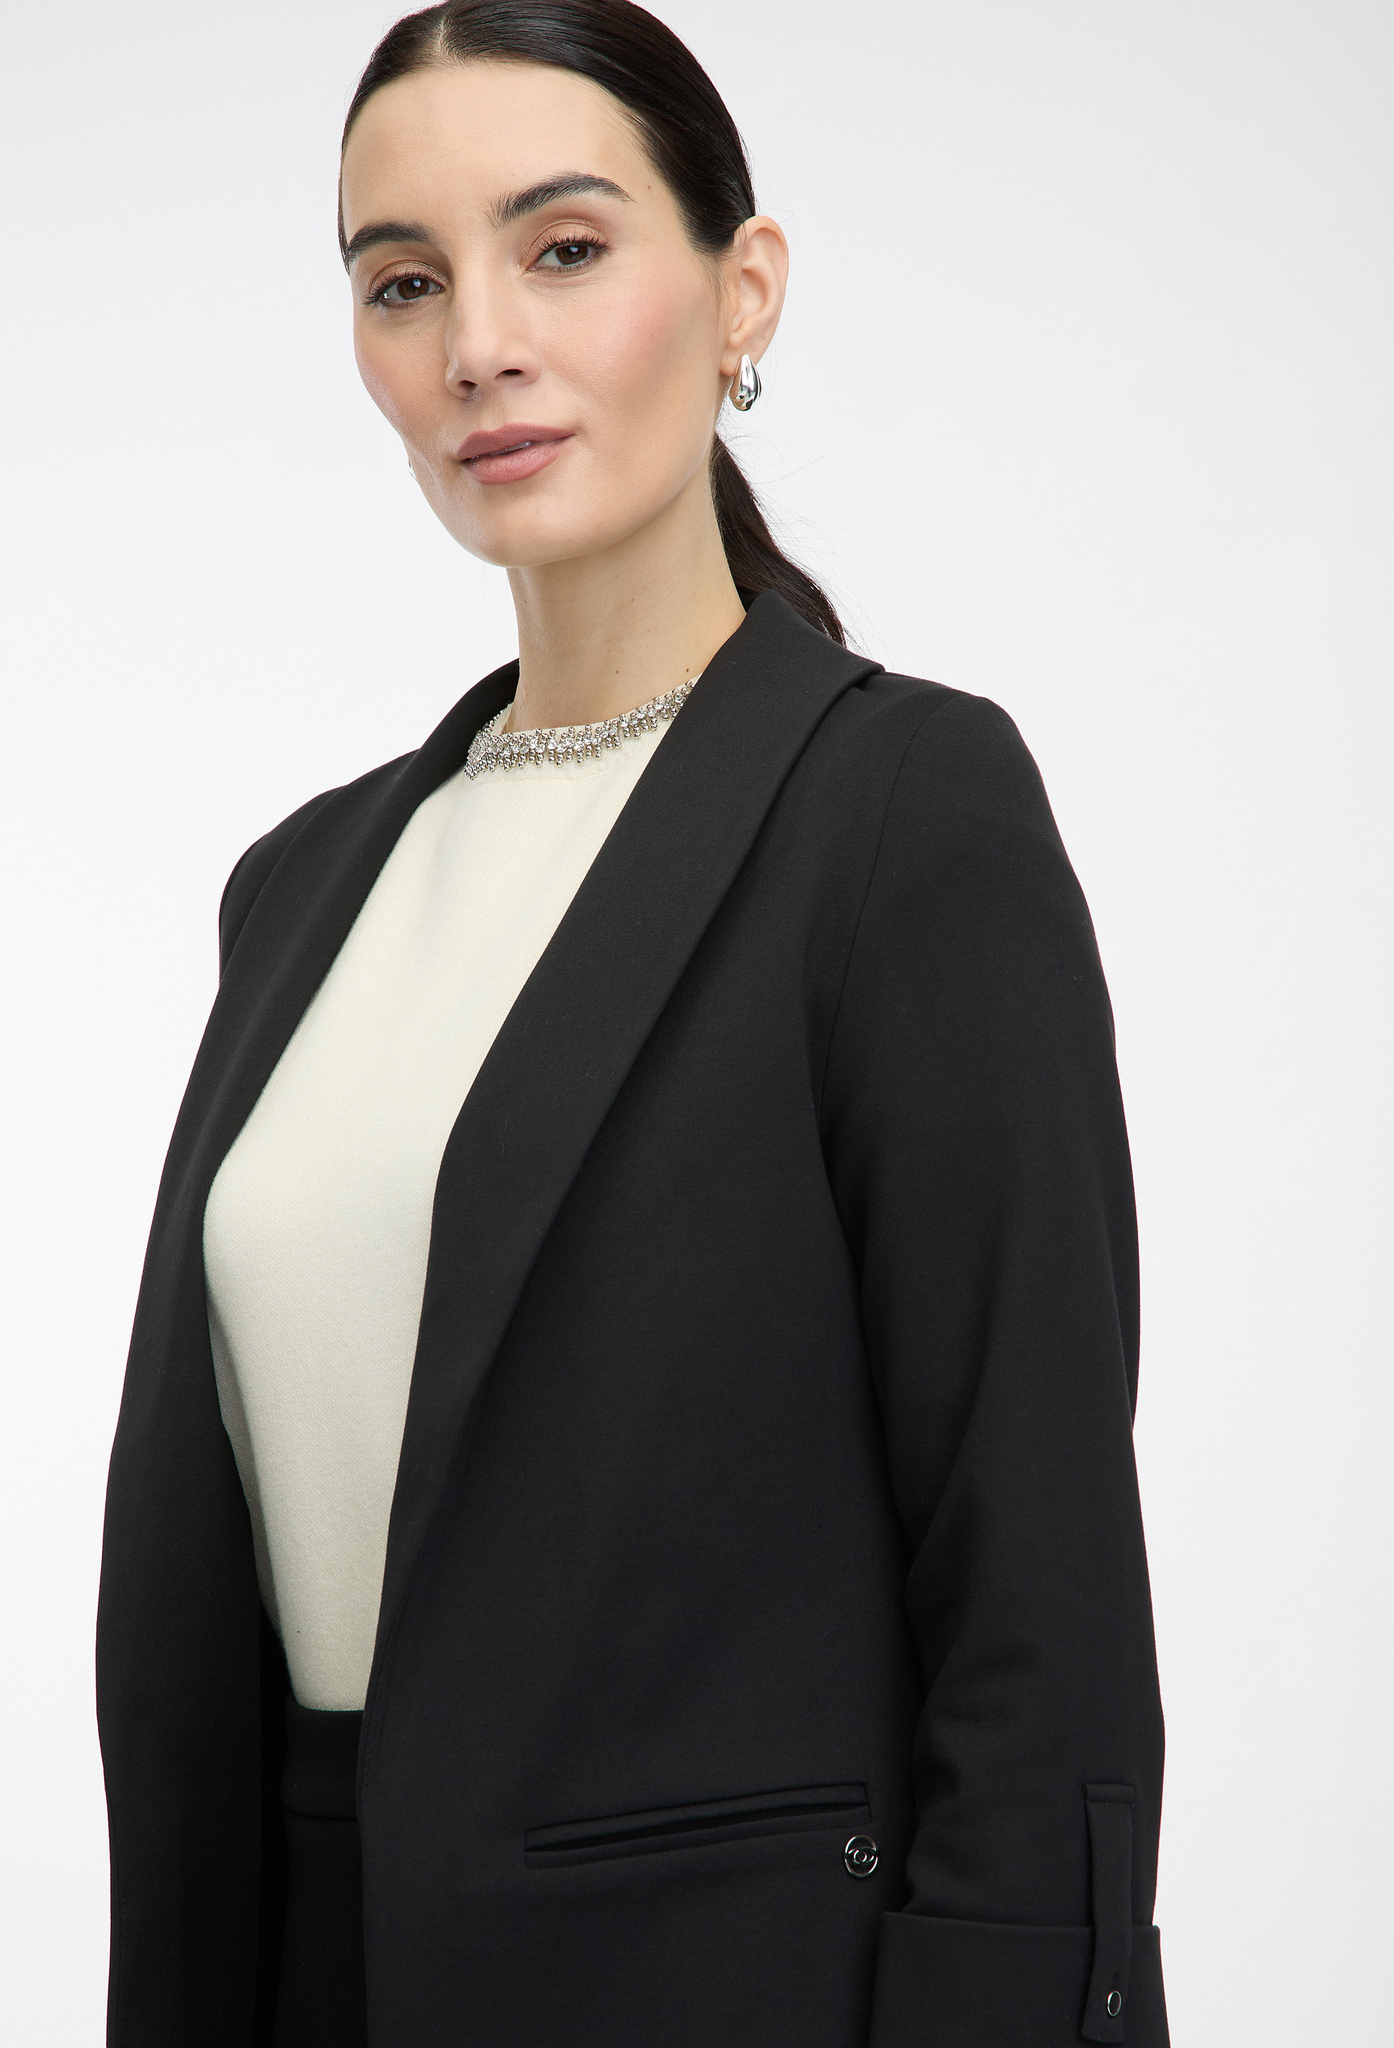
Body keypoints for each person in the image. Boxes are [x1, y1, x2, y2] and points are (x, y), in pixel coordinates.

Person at [95, 4, 1170, 2044]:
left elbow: (1033, 1591)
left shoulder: (900, 817)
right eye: (403, 282)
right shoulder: (303, 887)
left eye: (565, 248)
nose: (479, 343)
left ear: (741, 287)